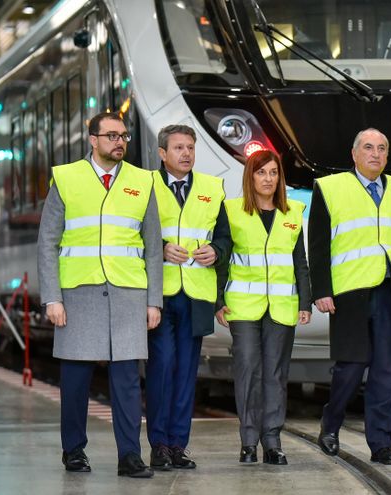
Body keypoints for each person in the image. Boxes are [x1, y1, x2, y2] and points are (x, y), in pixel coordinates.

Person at [38, 111, 162, 478]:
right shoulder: (66, 178)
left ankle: (130, 456)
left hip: (127, 293)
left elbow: (152, 247)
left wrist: (154, 300)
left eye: (123, 136)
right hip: (78, 293)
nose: (119, 142)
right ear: (92, 139)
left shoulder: (143, 181)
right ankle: (74, 452)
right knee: (75, 379)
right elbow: (48, 242)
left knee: (126, 380)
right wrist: (52, 298)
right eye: (111, 136)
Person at [310, 128, 391, 466]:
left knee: (387, 371)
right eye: (368, 147)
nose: (375, 154)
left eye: (382, 149)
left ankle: (381, 444)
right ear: (355, 154)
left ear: (387, 157)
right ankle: (331, 423)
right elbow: (317, 245)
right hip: (351, 292)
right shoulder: (329, 188)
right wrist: (322, 291)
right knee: (351, 365)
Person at [215, 150, 312, 465]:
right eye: (261, 173)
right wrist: (218, 301)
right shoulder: (231, 211)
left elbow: (301, 263)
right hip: (242, 308)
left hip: (282, 307)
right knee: (248, 371)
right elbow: (223, 260)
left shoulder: (293, 212)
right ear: (250, 177)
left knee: (275, 374)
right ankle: (248, 441)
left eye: (273, 173)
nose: (268, 179)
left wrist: (306, 302)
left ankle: (272, 441)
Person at [147, 124, 231, 471]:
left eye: (190, 148)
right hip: (160, 294)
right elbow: (133, 234)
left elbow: (226, 238)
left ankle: (179, 445)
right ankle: (159, 445)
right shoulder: (145, 186)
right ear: (162, 153)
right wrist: (161, 249)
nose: (186, 153)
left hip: (196, 295)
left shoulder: (213, 188)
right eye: (179, 147)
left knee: (185, 373)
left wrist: (216, 250)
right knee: (162, 367)